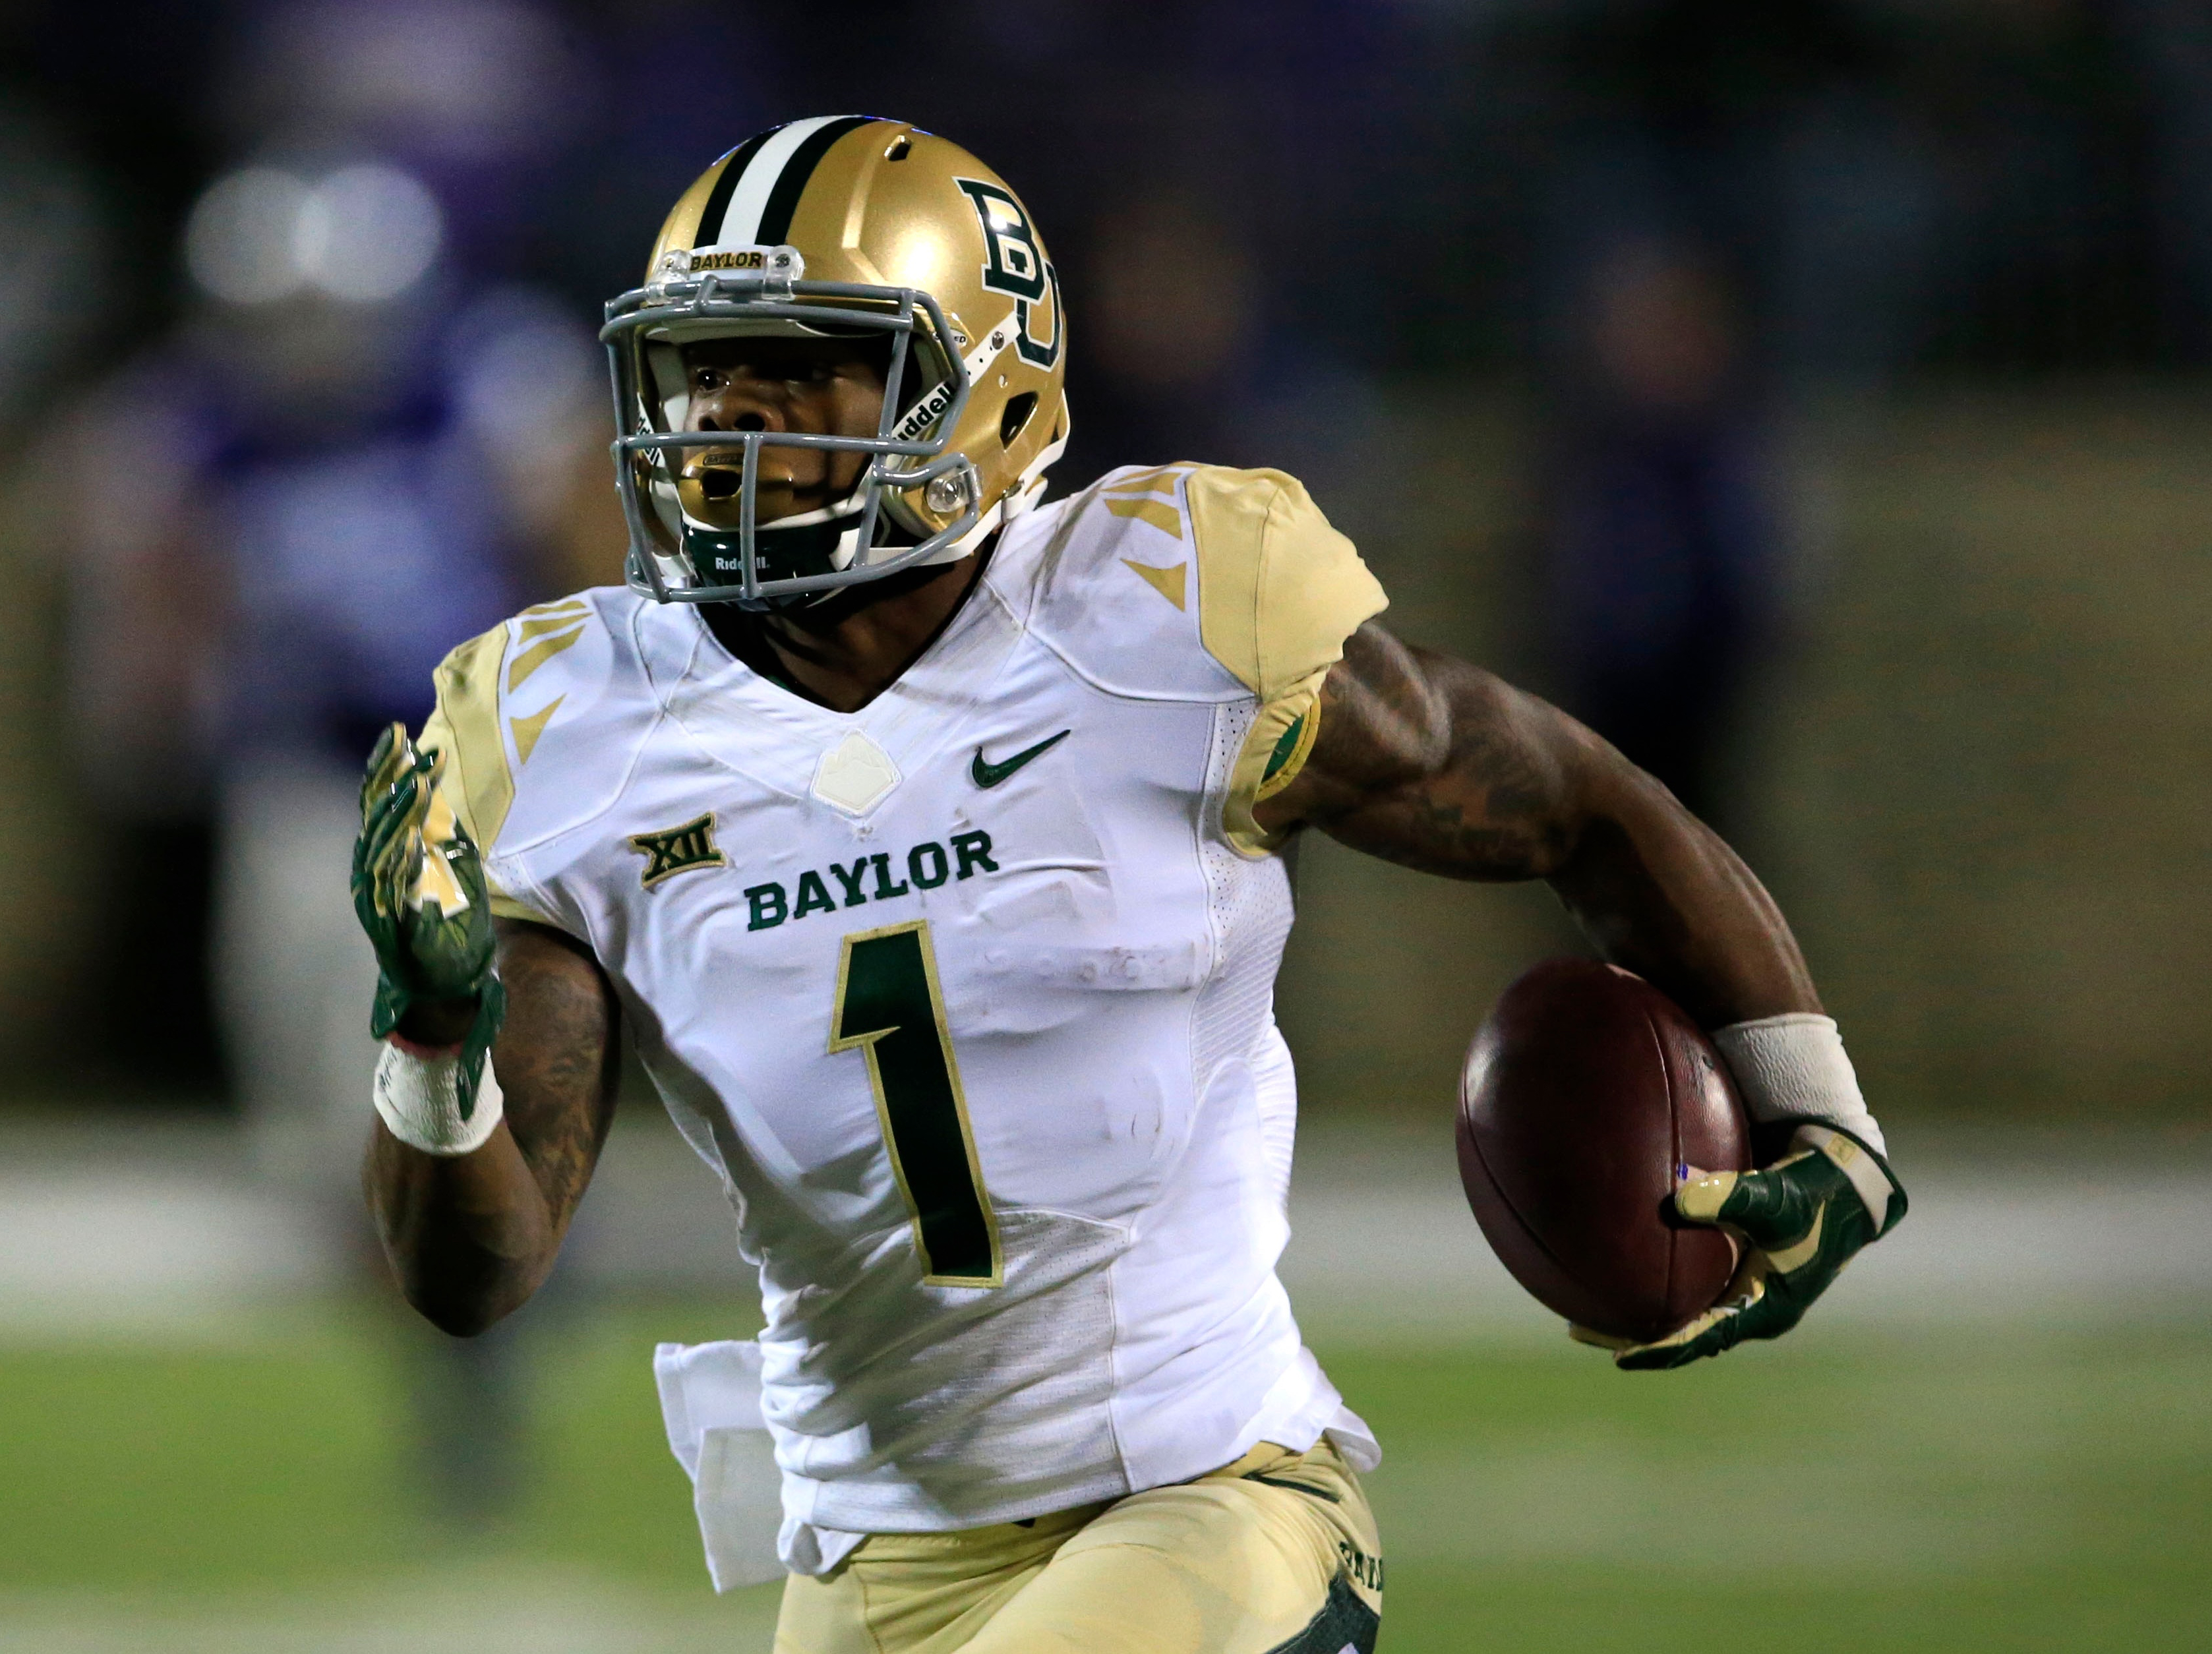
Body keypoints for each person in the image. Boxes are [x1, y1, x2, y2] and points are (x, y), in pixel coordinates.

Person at [349, 118, 1906, 1654]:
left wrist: (1810, 1096)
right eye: (705, 370)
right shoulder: (577, 728)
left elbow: (1574, 801)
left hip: (1198, 1497)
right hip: (864, 1559)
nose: (730, 422)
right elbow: (474, 1277)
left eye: (805, 363)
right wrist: (430, 1033)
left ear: (979, 388)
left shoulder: (1157, 615)